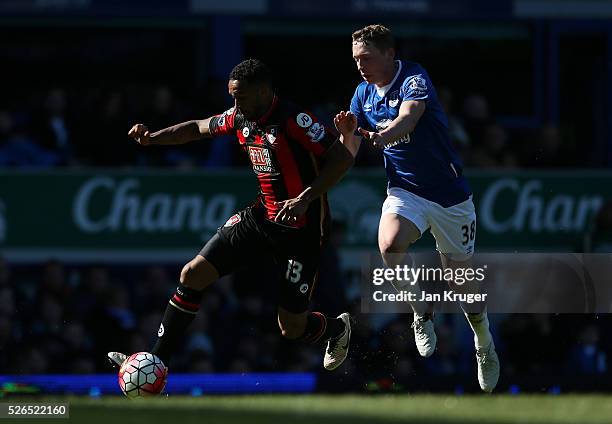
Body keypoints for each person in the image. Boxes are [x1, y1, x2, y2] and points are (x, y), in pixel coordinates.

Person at [108, 58, 356, 376]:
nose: (234, 103)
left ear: (264, 91)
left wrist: (305, 198)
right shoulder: (240, 116)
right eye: (232, 96)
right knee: (192, 274)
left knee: (291, 327)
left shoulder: (295, 119)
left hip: (301, 229)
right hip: (261, 217)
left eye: (241, 96)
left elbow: (341, 159)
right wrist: (153, 138)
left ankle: (335, 329)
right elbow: (198, 128)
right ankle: (156, 362)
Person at [336, 24, 499, 392]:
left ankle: (484, 342)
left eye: (366, 58)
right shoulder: (361, 94)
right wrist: (346, 133)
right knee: (390, 245)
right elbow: (350, 150)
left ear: (389, 54)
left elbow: (409, 117)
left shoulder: (413, 77)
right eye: (355, 59)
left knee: (462, 286)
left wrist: (382, 134)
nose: (360, 66)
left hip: (449, 196)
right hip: (406, 190)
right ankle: (420, 311)